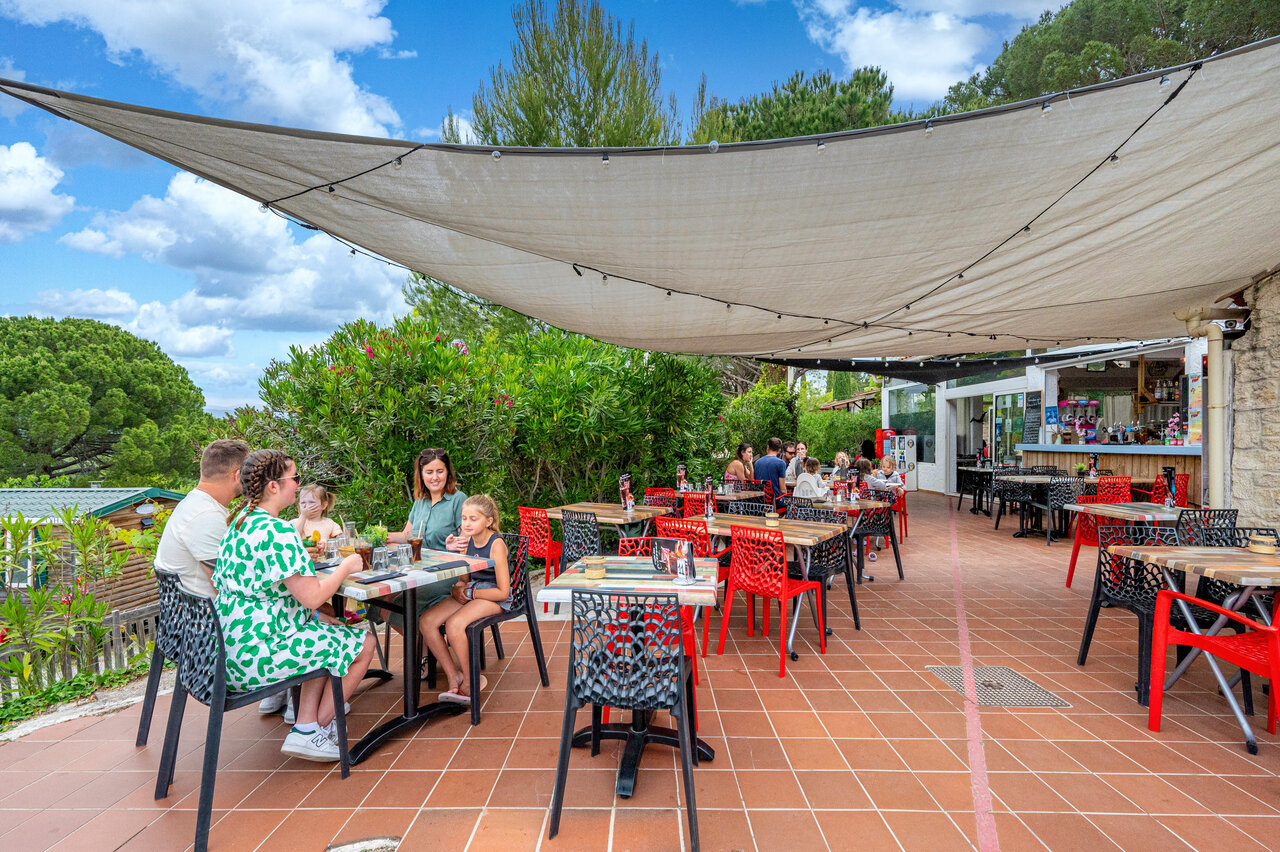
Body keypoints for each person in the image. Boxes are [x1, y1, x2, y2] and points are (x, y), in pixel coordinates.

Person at [213, 449, 377, 762]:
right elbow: (314, 597)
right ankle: (313, 729)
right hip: (258, 654)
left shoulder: (238, 523)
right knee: (365, 642)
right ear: (273, 486)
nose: (299, 486)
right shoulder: (278, 530)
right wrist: (346, 566)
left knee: (323, 629)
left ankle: (305, 724)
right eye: (295, 478)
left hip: (230, 648)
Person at [420, 495, 510, 705]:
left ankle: (471, 681)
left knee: (454, 625)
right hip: (473, 590)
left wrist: (469, 594)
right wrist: (458, 588)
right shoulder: (466, 541)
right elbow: (464, 579)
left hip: (494, 596)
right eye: (464, 518)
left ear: (488, 521)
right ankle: (454, 675)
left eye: (473, 519)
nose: (466, 524)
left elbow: (503, 592)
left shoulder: (495, 543)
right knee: (426, 621)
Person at [155, 439, 250, 598]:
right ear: (238, 474)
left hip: (188, 617)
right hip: (208, 620)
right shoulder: (206, 516)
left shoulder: (195, 504)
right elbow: (231, 589)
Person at [753, 437, 787, 504]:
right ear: (779, 450)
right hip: (774, 501)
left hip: (759, 500)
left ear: (768, 447)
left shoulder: (757, 462)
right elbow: (783, 490)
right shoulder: (781, 463)